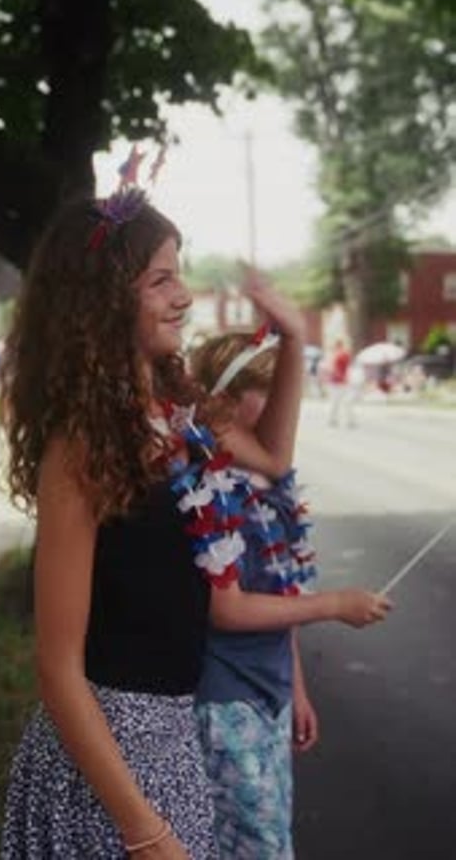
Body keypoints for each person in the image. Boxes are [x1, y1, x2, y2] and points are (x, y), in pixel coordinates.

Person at [0, 166, 391, 859]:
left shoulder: (177, 417)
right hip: (107, 758)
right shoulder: (82, 445)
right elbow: (57, 669)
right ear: (102, 301)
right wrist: (145, 832)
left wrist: (296, 338)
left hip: (175, 735)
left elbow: (270, 458)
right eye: (161, 280)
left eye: (179, 275)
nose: (184, 296)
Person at [188, 328, 392, 859]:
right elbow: (225, 610)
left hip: (270, 694)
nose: (286, 406)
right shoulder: (208, 488)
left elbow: (280, 596)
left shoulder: (267, 485)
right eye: (270, 392)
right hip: (227, 698)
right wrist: (335, 605)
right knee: (251, 845)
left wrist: (296, 688)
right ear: (227, 403)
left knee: (270, 834)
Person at [326, 338, 356, 427]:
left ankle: (334, 420)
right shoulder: (342, 355)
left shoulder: (338, 355)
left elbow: (333, 368)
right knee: (343, 402)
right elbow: (336, 368)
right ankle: (347, 420)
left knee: (337, 402)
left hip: (337, 381)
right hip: (340, 381)